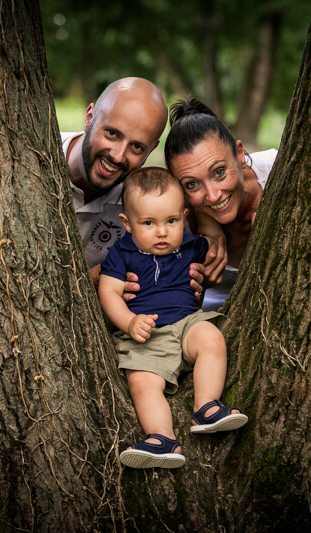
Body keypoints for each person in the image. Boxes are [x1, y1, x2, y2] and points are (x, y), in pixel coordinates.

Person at [97, 167, 247, 469]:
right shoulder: (122, 252)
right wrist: (128, 322)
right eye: (149, 223)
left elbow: (214, 237)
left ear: (184, 216)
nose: (162, 232)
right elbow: (108, 292)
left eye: (172, 220)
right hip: (146, 333)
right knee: (142, 381)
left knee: (211, 338)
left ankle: (206, 407)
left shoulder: (191, 245)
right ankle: (162, 438)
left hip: (187, 323)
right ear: (127, 223)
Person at [60, 78, 225, 295]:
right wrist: (86, 280)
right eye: (112, 133)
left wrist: (210, 245)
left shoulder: (142, 197)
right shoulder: (31, 161)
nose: (117, 156)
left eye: (136, 147)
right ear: (89, 118)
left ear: (151, 150)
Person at [164, 98, 278, 311]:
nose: (213, 196)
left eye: (219, 172)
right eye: (192, 184)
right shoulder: (178, 222)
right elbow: (179, 313)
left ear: (240, 154)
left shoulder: (278, 173)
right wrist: (198, 286)